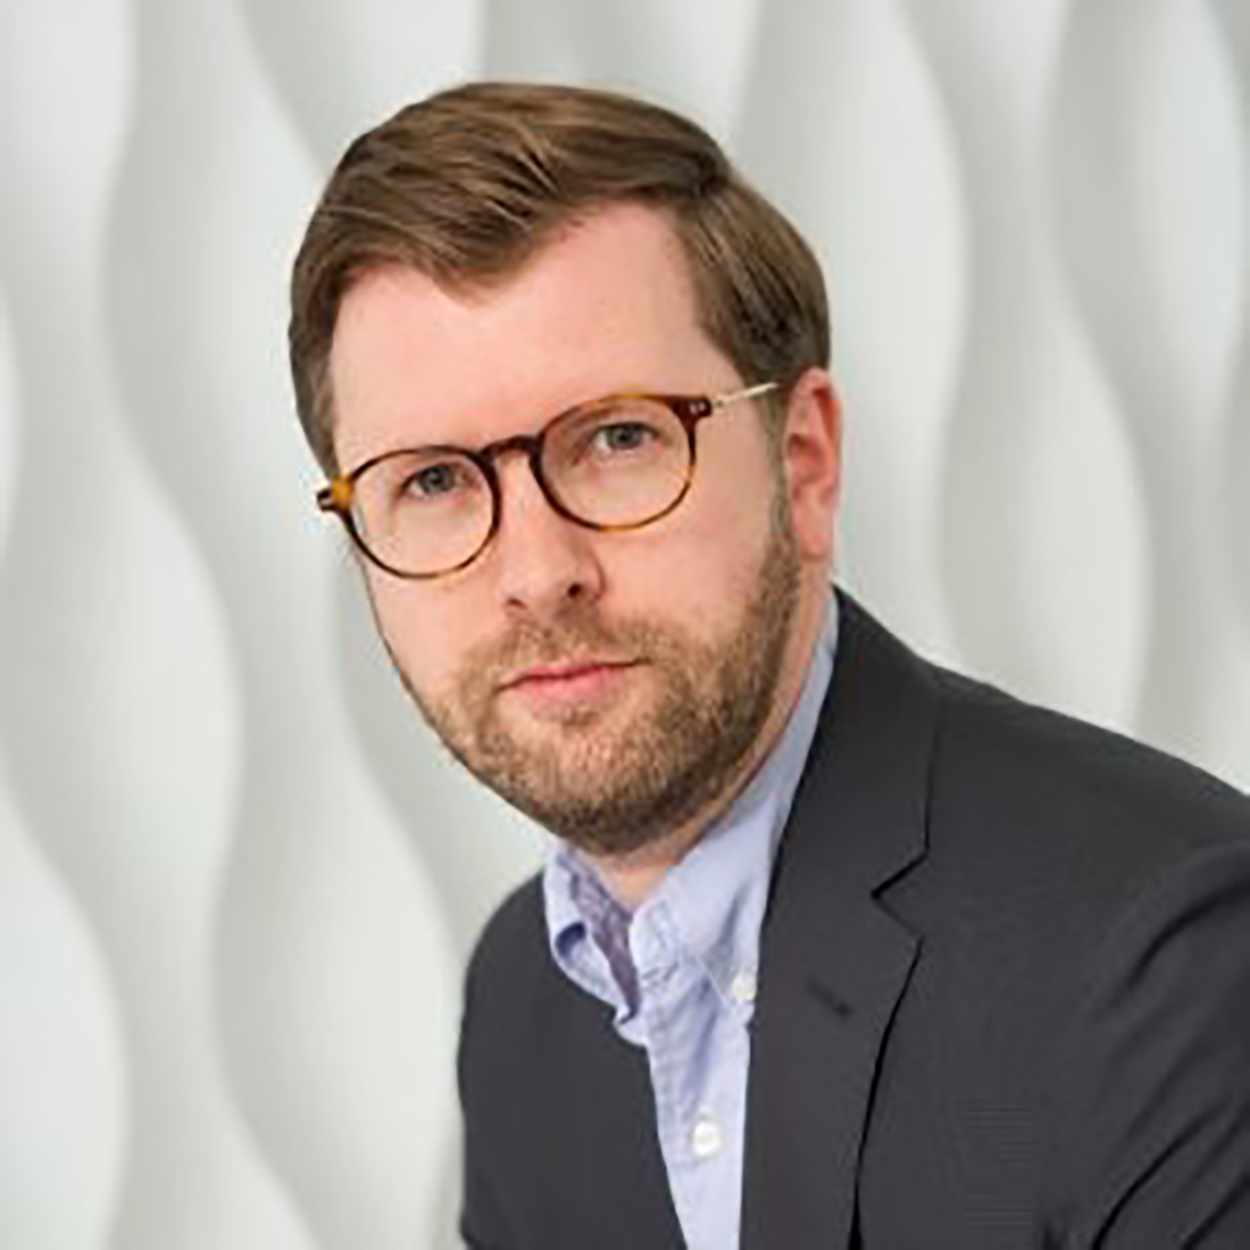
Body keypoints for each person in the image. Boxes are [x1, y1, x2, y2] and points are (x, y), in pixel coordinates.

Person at [287, 82, 1250, 1249]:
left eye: (618, 438)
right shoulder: (526, 1003)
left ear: (802, 462)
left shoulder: (1168, 964)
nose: (537, 572)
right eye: (432, 480)